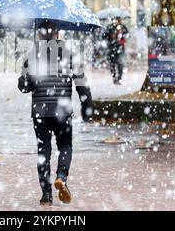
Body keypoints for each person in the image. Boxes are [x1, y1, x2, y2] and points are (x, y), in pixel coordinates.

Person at [18, 21, 93, 206]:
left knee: (43, 150)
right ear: (57, 33)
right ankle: (61, 177)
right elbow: (82, 84)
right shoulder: (69, 52)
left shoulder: (32, 54)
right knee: (65, 146)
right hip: (63, 110)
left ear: (40, 34)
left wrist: (28, 76)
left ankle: (46, 194)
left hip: (40, 112)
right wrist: (87, 108)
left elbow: (23, 87)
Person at [105, 16, 129, 84]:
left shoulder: (123, 27)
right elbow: (104, 36)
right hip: (112, 48)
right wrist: (111, 37)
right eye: (117, 19)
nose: (119, 21)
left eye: (120, 19)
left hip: (120, 48)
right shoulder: (110, 27)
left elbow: (127, 35)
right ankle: (114, 77)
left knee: (120, 63)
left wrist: (123, 37)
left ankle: (119, 78)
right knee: (112, 64)